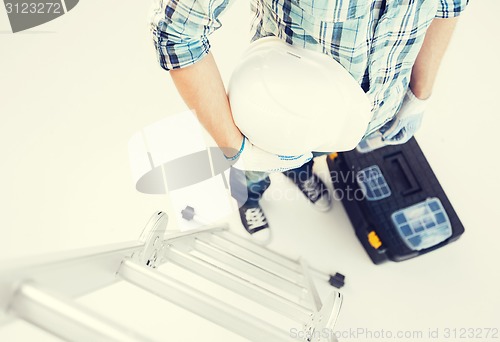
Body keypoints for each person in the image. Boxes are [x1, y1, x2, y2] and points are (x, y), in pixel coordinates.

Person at [149, 0, 468, 241]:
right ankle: (250, 198)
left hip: (363, 114)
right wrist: (237, 149)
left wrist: (418, 96)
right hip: (276, 109)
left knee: (308, 157)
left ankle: (298, 173)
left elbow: (450, 4)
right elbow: (176, 32)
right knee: (255, 171)